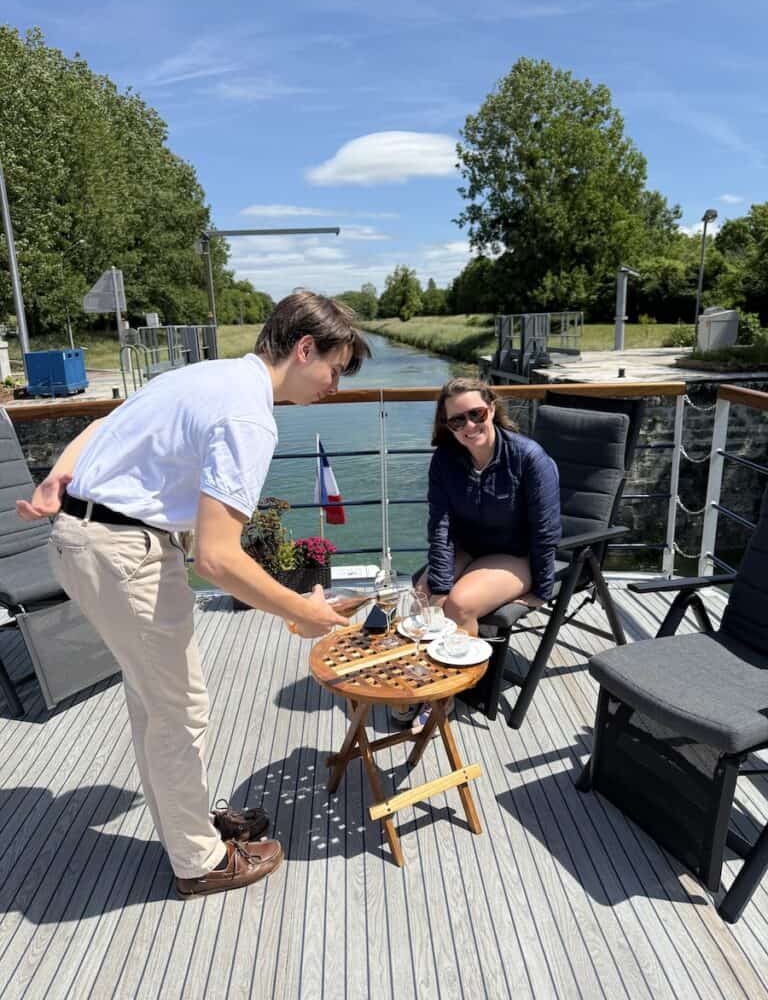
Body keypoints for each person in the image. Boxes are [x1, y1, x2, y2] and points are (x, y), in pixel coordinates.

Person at [16, 291, 371, 899]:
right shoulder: (249, 417)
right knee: (179, 710)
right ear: (304, 348)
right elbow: (218, 558)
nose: (335, 386)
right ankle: (200, 861)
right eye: (334, 370)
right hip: (123, 554)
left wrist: (57, 478)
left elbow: (100, 427)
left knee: (155, 702)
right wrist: (304, 612)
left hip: (87, 541)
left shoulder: (207, 374)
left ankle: (189, 829)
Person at [401, 377, 560, 728]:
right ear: (447, 425)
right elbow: (440, 526)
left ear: (491, 408)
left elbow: (545, 530)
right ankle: (424, 674)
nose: (469, 426)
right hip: (467, 545)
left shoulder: (529, 458)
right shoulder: (445, 460)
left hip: (514, 553)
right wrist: (438, 585)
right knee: (423, 595)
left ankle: (444, 695)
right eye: (457, 420)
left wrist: (543, 590)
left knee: (459, 604)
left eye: (476, 414)